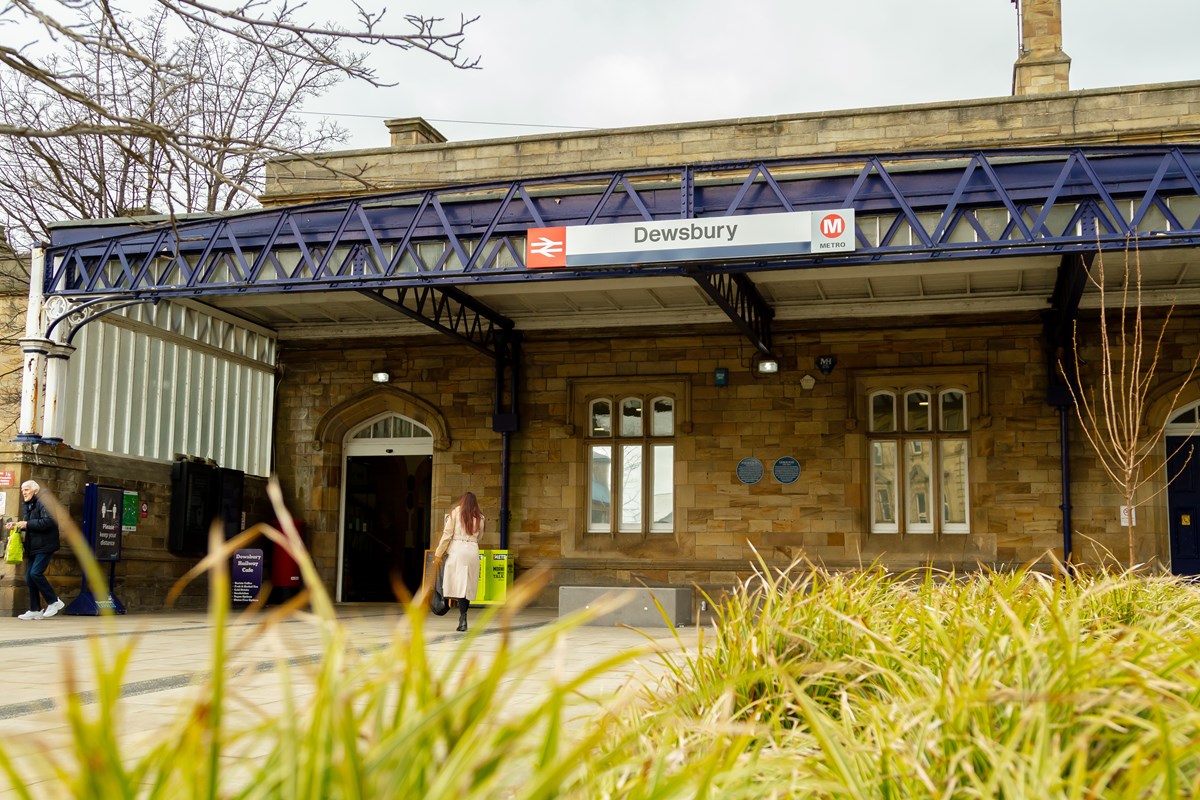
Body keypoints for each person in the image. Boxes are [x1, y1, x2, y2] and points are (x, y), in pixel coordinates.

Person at [433, 491, 484, 632]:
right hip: (473, 550)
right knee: (466, 586)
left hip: (458, 550)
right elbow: (480, 536)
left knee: (458, 584)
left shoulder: (455, 513)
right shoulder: (479, 517)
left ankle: (460, 617)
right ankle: (463, 616)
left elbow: (447, 534)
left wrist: (438, 553)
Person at [16, 480, 64, 620]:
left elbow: (49, 522)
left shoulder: (44, 501)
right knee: (29, 576)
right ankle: (35, 609)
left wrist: (27, 524)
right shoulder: (29, 504)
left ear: (35, 490)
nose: (23, 493)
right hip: (34, 546)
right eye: (22, 490)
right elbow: (32, 523)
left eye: (26, 489)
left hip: (45, 544)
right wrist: (19, 525)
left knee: (36, 573)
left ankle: (54, 601)